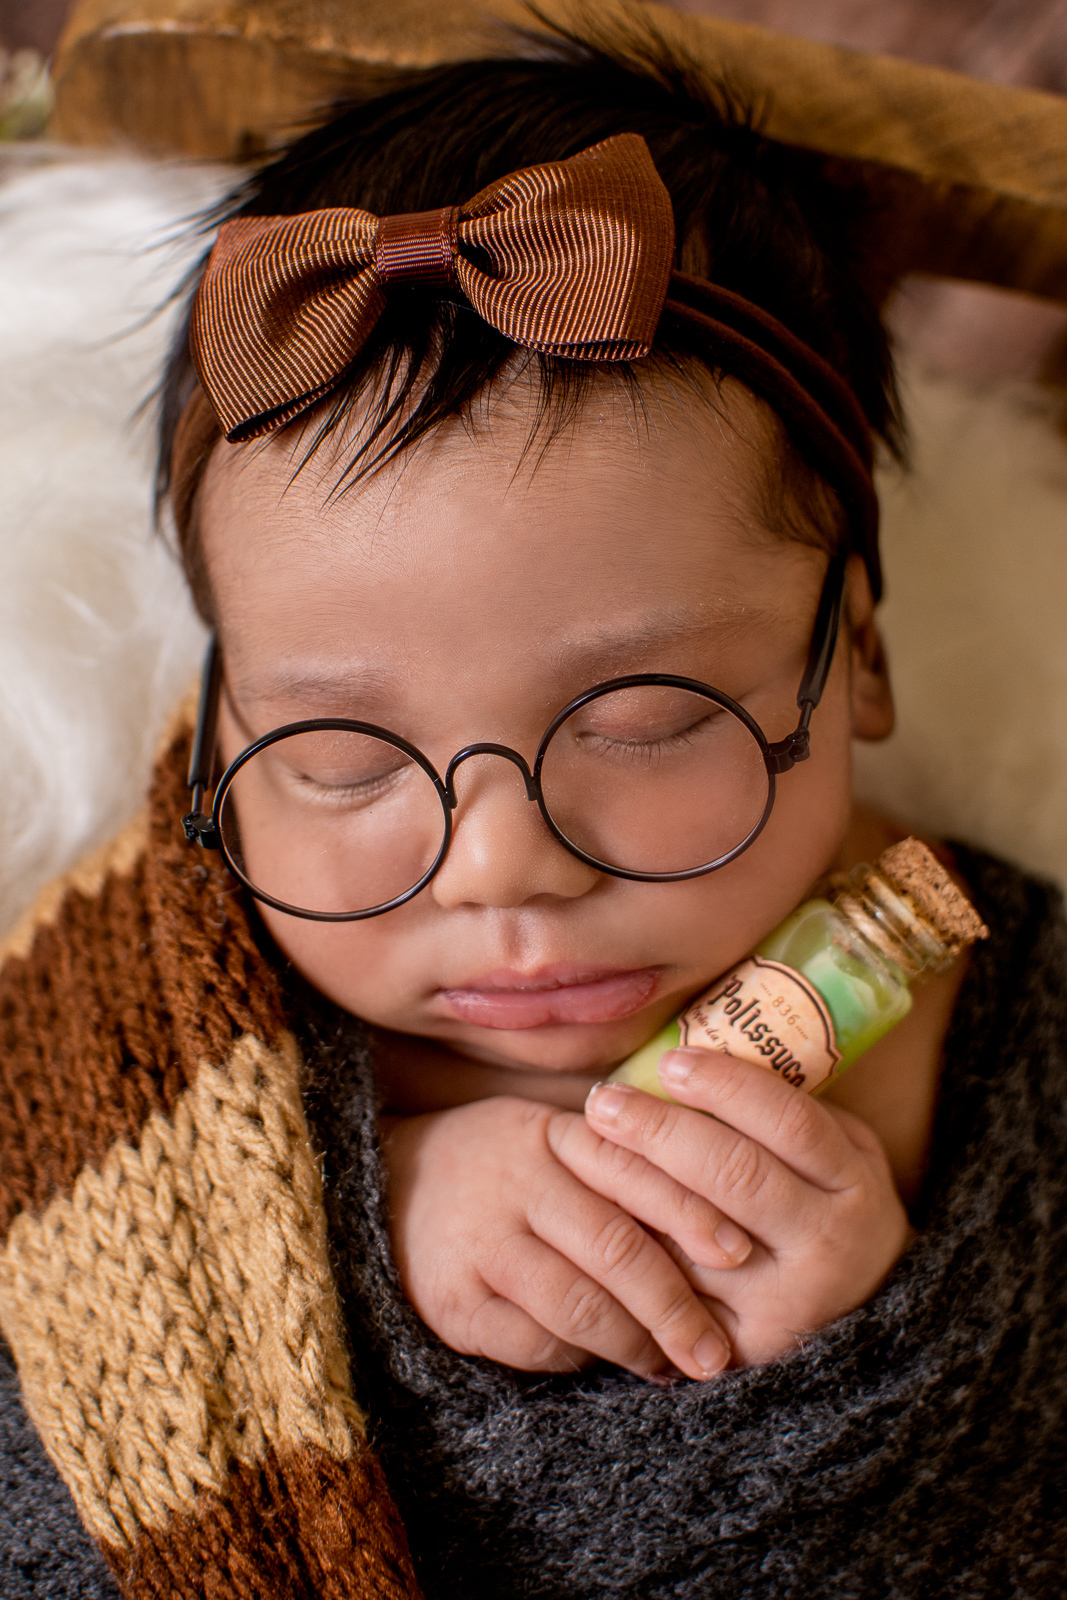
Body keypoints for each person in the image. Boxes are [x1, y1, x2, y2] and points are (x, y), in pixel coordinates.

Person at [2, 27, 1065, 1600]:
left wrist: (850, 1376)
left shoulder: (1022, 1030)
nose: (500, 864)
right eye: (343, 759)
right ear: (225, 725)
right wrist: (355, 1235)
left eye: (645, 722)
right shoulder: (132, 1019)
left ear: (857, 655)